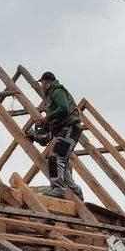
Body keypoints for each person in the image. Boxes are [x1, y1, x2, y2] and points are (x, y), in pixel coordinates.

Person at [37, 71, 84, 199]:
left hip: (70, 128)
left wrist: (47, 118)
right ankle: (76, 191)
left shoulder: (57, 91)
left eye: (41, 83)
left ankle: (58, 189)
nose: (41, 86)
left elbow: (63, 108)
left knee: (55, 158)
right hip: (69, 129)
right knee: (63, 162)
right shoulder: (52, 94)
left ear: (45, 82)